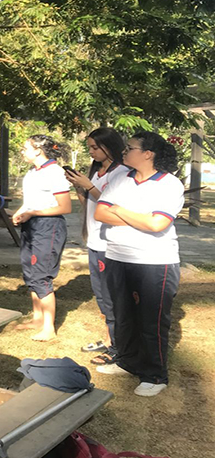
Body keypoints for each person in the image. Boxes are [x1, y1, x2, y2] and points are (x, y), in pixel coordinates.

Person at [93, 132, 183, 397]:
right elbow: (100, 212)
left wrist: (118, 210)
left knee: (152, 320)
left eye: (130, 148)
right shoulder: (121, 178)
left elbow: (157, 224)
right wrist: (138, 217)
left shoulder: (169, 184)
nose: (124, 152)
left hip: (154, 261)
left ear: (148, 154)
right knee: (123, 316)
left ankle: (155, 375)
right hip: (118, 256)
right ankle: (127, 361)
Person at [64, 128, 127, 365]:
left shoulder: (122, 173)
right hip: (94, 240)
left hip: (109, 243)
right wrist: (80, 187)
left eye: (94, 147)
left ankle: (119, 347)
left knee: (110, 297)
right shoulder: (97, 171)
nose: (91, 152)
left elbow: (115, 206)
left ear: (109, 146)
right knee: (102, 297)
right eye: (89, 147)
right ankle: (114, 340)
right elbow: (89, 203)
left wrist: (89, 186)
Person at [11, 135, 72, 342]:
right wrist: (21, 212)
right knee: (30, 273)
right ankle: (37, 318)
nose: (22, 150)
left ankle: (49, 327)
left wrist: (33, 213)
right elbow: (31, 202)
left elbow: (65, 207)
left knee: (41, 275)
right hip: (32, 224)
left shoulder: (55, 172)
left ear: (38, 150)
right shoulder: (32, 173)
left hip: (49, 227)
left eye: (25, 147)